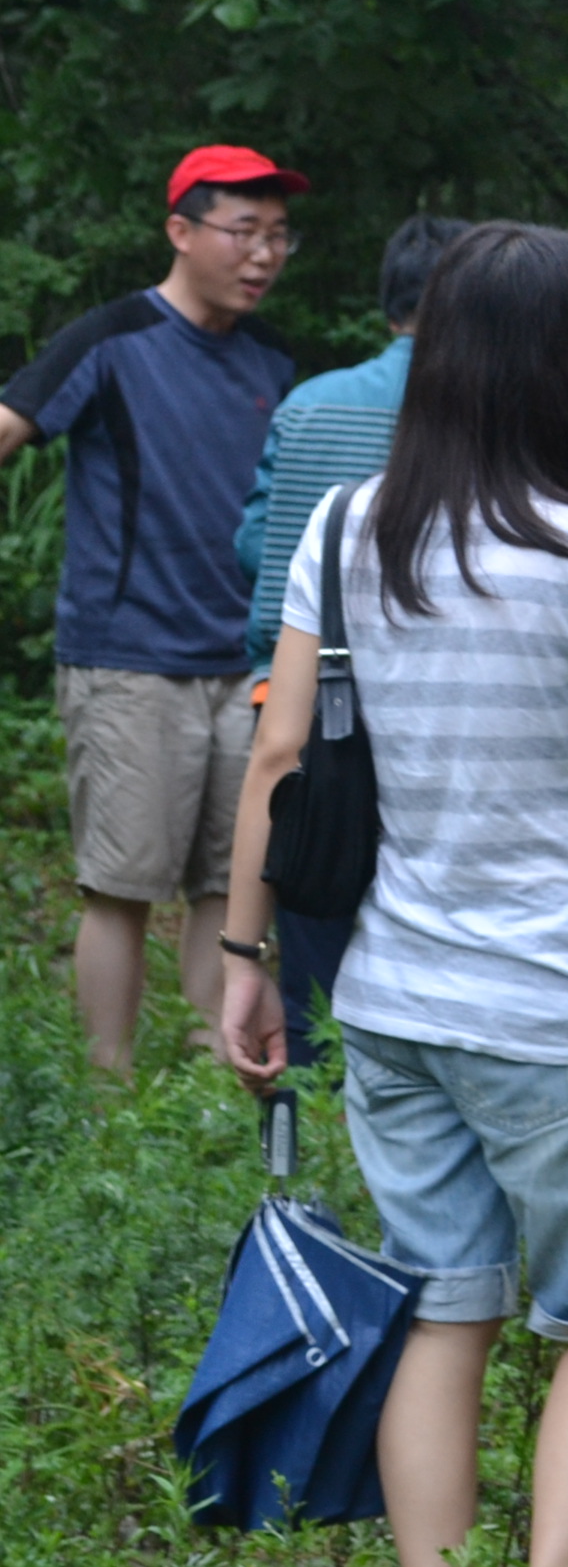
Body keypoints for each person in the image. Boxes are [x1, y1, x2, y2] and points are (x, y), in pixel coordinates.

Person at [210, 222, 568, 1567]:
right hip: (559, 1011)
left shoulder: (347, 528)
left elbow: (280, 759)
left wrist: (243, 954)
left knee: (440, 1309)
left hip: (395, 1001)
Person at [0, 146, 303, 1072]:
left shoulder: (273, 363)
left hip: (246, 664)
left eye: (279, 235)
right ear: (181, 230)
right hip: (128, 659)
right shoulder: (111, 340)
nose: (264, 254)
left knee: (228, 882)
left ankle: (215, 1079)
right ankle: (107, 1097)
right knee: (120, 885)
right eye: (243, 231)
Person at [231, 213, 474, 1068]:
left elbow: (254, 545)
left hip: (297, 704)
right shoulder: (481, 415)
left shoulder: (308, 404)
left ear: (389, 303)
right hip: (433, 714)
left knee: (316, 930)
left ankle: (313, 1105)